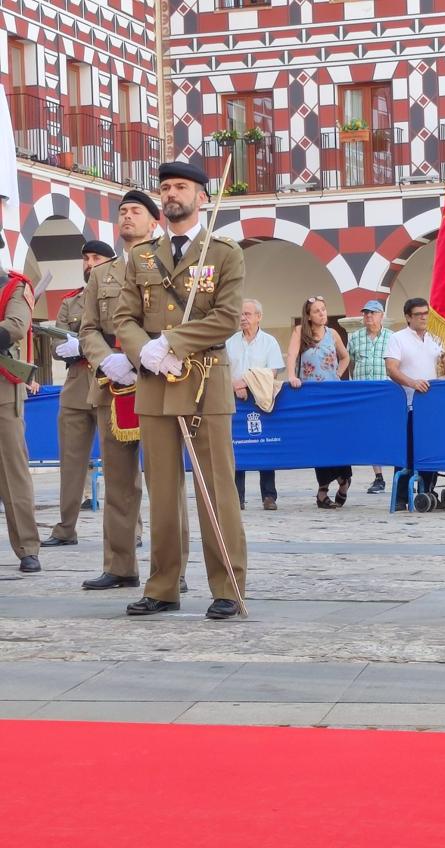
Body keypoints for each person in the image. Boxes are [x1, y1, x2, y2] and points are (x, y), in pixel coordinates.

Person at [114, 161, 247, 619]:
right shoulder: (143, 256)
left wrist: (172, 342)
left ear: (202, 198)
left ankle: (228, 584)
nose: (172, 194)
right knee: (162, 490)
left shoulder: (224, 252)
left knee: (217, 488)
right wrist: (144, 351)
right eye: (166, 187)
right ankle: (163, 585)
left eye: (182, 187)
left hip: (204, 379)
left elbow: (227, 317)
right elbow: (123, 317)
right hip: (153, 384)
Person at [79, 190, 189, 591]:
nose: (126, 217)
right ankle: (120, 565)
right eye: (122, 211)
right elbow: (88, 328)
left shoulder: (167, 265)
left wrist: (140, 355)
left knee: (166, 481)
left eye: (136, 211)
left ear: (153, 222)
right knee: (119, 482)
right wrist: (104, 359)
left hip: (159, 379)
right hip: (112, 385)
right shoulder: (101, 274)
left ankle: (172, 569)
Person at [41, 240, 115, 548]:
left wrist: (83, 345)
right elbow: (58, 345)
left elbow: (124, 334)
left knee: (117, 464)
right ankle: (65, 527)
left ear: (110, 263)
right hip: (74, 385)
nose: (89, 263)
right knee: (71, 461)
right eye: (86, 258)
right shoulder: (71, 302)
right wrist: (65, 348)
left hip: (109, 383)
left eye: (96, 257)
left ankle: (129, 529)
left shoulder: (122, 296)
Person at [287, 296, 352, 509]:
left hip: (331, 393)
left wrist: (338, 374)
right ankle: (323, 490)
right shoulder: (300, 332)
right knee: (320, 441)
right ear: (308, 315)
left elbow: (345, 357)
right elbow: (292, 356)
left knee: (339, 438)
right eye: (317, 311)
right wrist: (291, 376)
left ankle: (344, 480)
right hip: (312, 394)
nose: (322, 314)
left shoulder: (332, 334)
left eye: (323, 310)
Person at [0, 248, 41, 573]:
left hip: (3, 390)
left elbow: (14, 326)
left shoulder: (13, 286)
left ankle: (27, 547)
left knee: (12, 474)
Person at [384, 297, 443, 509]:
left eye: (426, 313)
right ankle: (400, 498)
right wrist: (412, 383)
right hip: (408, 404)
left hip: (433, 406)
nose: (423, 318)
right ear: (408, 317)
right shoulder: (398, 338)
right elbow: (391, 368)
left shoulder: (436, 338)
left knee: (431, 450)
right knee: (407, 452)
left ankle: (427, 493)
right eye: (418, 314)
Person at [226, 298, 284, 511]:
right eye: (241, 314)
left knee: (264, 445)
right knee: (237, 447)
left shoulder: (270, 342)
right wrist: (235, 385)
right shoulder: (229, 342)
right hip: (235, 399)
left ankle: (269, 496)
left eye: (248, 314)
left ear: (259, 317)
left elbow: (273, 371)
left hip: (260, 400)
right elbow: (221, 370)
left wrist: (246, 382)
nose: (243, 318)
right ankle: (237, 497)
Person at [347, 299, 393, 494]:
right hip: (364, 393)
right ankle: (379, 477)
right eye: (365, 313)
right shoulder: (355, 338)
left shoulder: (392, 337)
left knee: (389, 433)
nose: (368, 316)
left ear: (382, 315)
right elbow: (349, 362)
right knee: (372, 434)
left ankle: (402, 472)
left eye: (373, 313)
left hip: (386, 392)